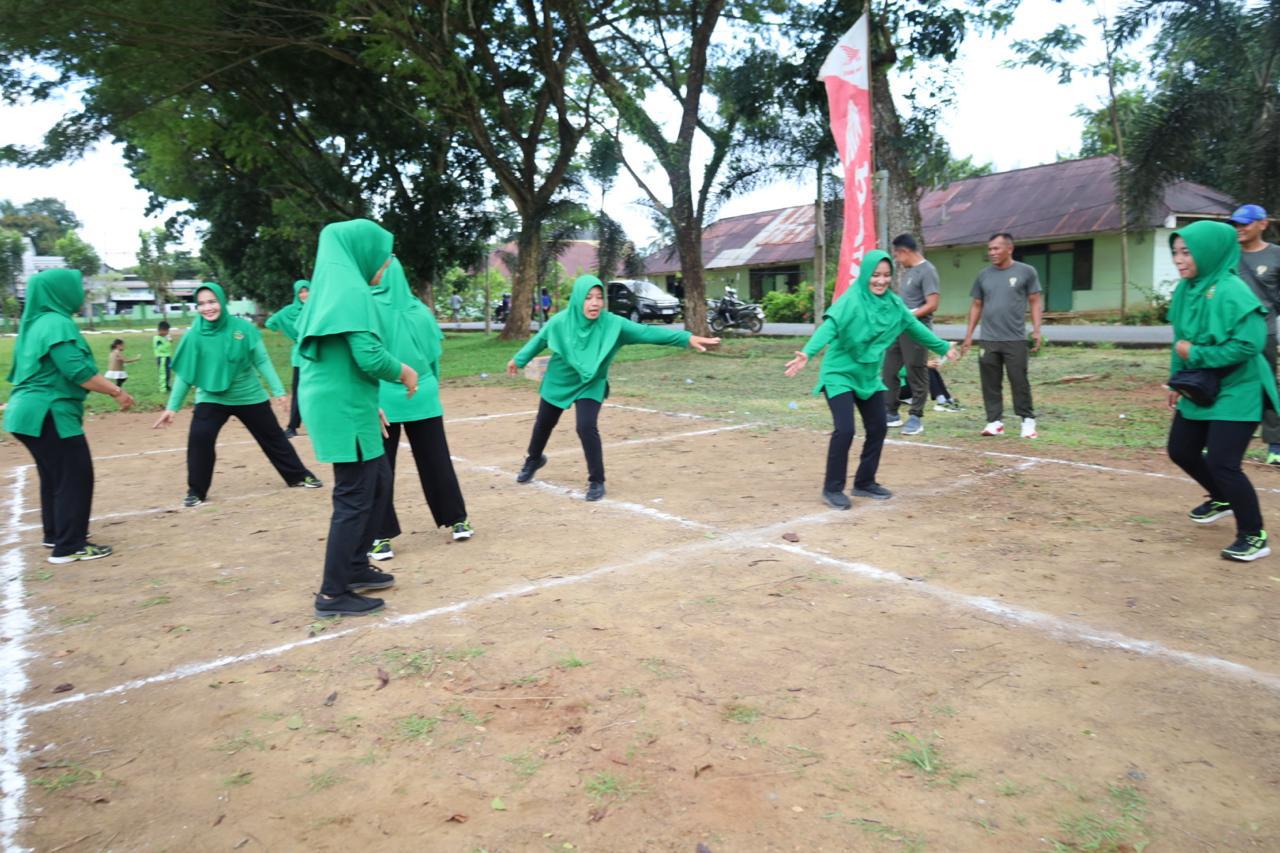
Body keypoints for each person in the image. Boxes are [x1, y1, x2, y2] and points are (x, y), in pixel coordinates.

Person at [296, 219, 419, 617]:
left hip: (346, 398)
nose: (384, 267)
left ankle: (354, 564)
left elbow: (342, 357)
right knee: (354, 494)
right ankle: (333, 593)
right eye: (382, 257)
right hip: (340, 404)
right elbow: (368, 356)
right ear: (361, 250)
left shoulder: (336, 286)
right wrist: (404, 371)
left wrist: (371, 404)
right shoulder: (349, 289)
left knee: (379, 479)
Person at [507, 274, 719, 501]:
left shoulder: (613, 325)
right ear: (578, 299)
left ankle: (596, 481)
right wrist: (518, 360)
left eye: (599, 297)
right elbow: (539, 340)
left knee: (586, 427)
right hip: (559, 379)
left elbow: (648, 333)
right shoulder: (560, 322)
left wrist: (686, 338)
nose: (595, 303)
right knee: (544, 423)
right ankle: (534, 459)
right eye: (588, 298)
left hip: (591, 382)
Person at [785, 250, 958, 510]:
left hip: (867, 377)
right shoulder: (851, 300)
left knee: (878, 427)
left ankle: (864, 482)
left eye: (887, 275)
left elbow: (915, 328)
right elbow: (829, 327)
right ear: (866, 275)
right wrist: (807, 353)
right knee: (845, 430)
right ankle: (832, 489)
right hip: (839, 374)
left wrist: (943, 347)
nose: (881, 281)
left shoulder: (893, 305)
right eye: (875, 275)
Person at [1166, 220, 1279, 561]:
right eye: (1175, 253)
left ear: (1209, 252)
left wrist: (1196, 355)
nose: (1179, 260)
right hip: (1201, 385)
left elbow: (1250, 345)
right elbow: (1179, 341)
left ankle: (1254, 535)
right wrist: (1177, 380)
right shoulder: (1187, 289)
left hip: (1238, 387)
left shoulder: (1233, 290)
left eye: (1187, 252)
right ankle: (1221, 497)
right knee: (1181, 449)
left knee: (1222, 462)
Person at [5, 269, 135, 563]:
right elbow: (77, 372)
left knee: (55, 477)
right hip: (48, 413)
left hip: (28, 414)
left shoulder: (37, 323)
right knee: (75, 476)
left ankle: (55, 535)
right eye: (76, 287)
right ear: (60, 292)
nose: (81, 293)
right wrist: (118, 392)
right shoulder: (56, 323)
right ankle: (70, 545)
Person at [153, 282, 322, 507]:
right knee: (200, 438)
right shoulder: (194, 335)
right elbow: (186, 374)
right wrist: (172, 407)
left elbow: (261, 360)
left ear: (222, 302)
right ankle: (196, 490)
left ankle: (298, 476)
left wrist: (279, 391)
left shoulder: (243, 329)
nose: (207, 308)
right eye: (201, 304)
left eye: (212, 302)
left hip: (248, 394)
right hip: (212, 396)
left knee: (273, 437)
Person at [365, 258, 473, 561]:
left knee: (381, 468)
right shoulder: (421, 311)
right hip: (422, 394)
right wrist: (432, 390)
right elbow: (434, 359)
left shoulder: (368, 310)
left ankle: (378, 536)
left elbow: (367, 360)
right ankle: (458, 520)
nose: (375, 275)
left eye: (380, 269)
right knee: (436, 461)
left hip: (385, 396)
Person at [961, 232, 1043, 438]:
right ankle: (994, 422)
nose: (992, 253)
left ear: (1009, 249)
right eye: (990, 249)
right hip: (988, 339)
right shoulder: (983, 275)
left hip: (1015, 338)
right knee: (990, 382)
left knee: (1019, 380)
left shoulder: (1027, 272)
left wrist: (1036, 329)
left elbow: (1034, 300)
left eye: (996, 248)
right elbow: (976, 305)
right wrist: (969, 335)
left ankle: (1027, 421)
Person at [1228, 204, 1280, 464]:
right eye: (1236, 224)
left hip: (1264, 333)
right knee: (1228, 382)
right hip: (1230, 334)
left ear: (1263, 224)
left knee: (1267, 383)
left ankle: (1275, 445)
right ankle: (1220, 438)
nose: (1240, 228)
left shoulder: (1276, 256)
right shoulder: (1229, 256)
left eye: (1245, 223)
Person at [883, 234, 941, 435]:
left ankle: (916, 416)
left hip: (917, 330)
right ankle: (890, 413)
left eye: (897, 256)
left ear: (904, 251)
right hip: (899, 329)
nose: (897, 260)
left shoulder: (928, 271)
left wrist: (909, 316)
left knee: (916, 371)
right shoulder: (909, 272)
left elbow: (932, 304)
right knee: (888, 370)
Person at [265, 279, 310, 438]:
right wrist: (288, 332)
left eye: (306, 290)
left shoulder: (317, 307)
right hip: (300, 357)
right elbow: (271, 323)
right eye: (301, 292)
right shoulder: (289, 311)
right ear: (296, 294)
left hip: (318, 356)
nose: (304, 294)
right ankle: (292, 426)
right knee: (298, 392)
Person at [153, 320, 173, 392]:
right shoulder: (157, 339)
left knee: (168, 373)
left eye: (168, 330)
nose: (167, 332)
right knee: (163, 373)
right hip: (162, 358)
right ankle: (163, 388)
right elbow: (163, 349)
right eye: (166, 331)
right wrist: (169, 342)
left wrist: (168, 341)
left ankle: (167, 386)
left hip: (167, 357)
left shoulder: (164, 337)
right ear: (161, 330)